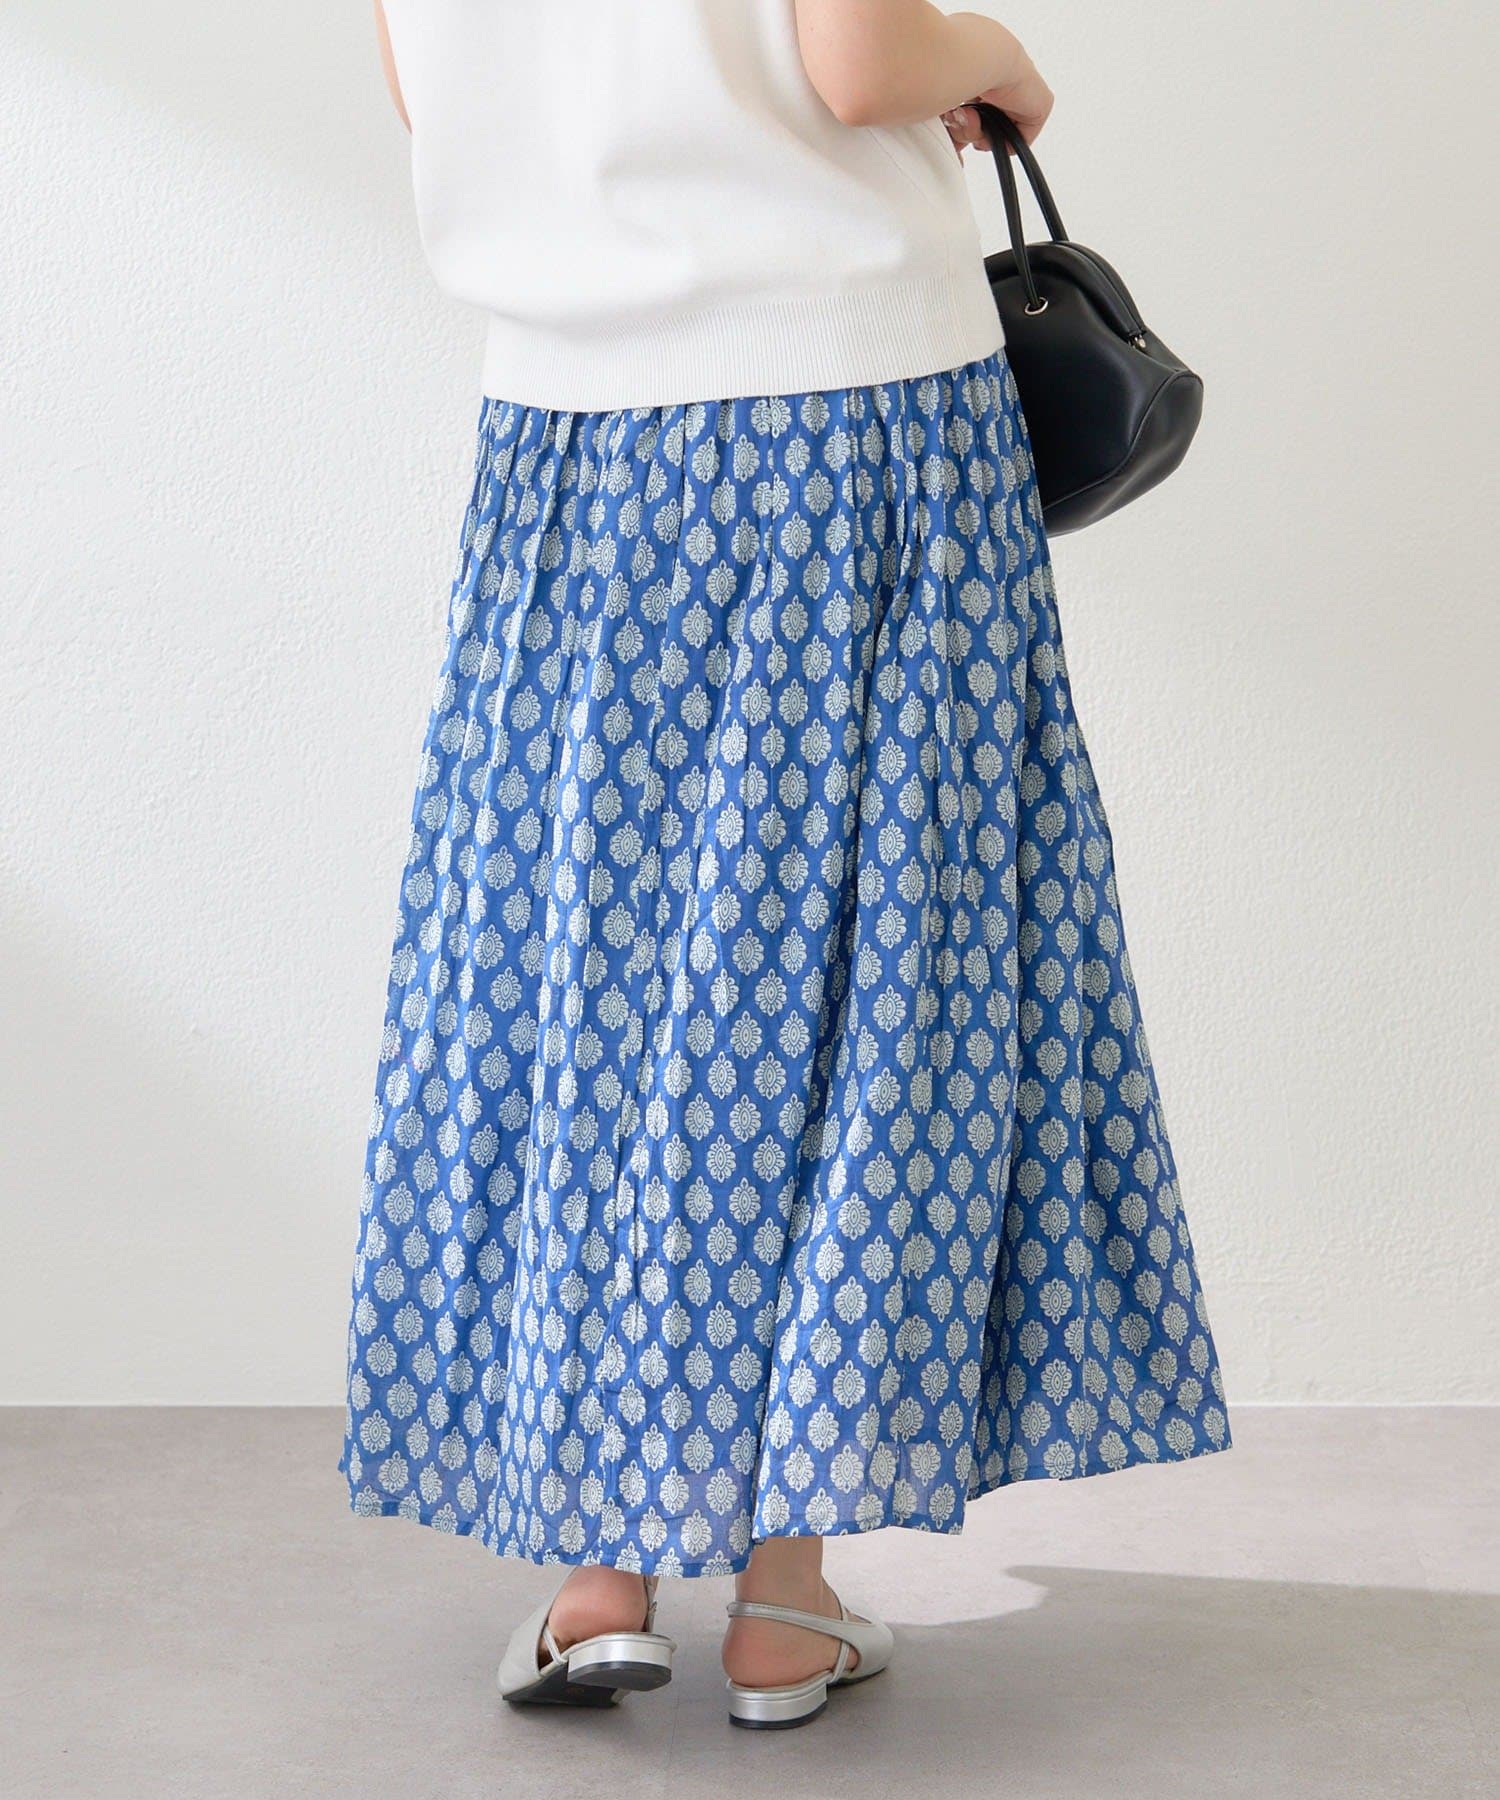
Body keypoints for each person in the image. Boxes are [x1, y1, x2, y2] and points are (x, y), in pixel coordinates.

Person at [340, 0, 1230, 1731]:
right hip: (849, 422)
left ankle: (598, 1582)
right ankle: (782, 1596)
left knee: (592, 969)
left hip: (567, 436)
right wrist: (999, 55)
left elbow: (422, 87)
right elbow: (860, 58)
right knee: (860, 970)